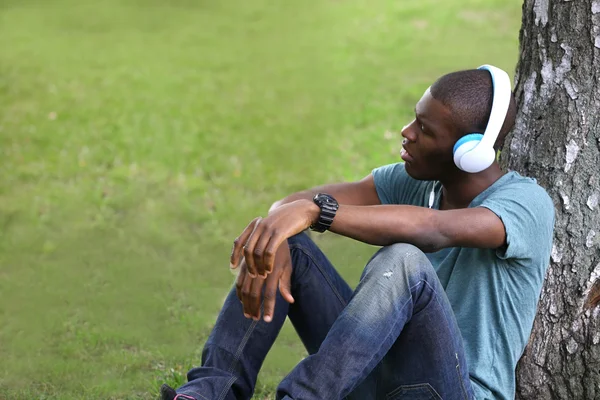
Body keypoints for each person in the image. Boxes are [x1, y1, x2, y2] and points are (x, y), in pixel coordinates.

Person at [159, 65, 555, 400]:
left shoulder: (525, 204)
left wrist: (317, 212)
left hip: (453, 390)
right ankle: (207, 394)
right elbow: (293, 205)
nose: (407, 132)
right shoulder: (416, 182)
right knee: (290, 244)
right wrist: (278, 233)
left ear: (468, 152)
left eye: (425, 129)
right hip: (373, 379)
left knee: (404, 259)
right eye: (414, 117)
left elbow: (434, 230)